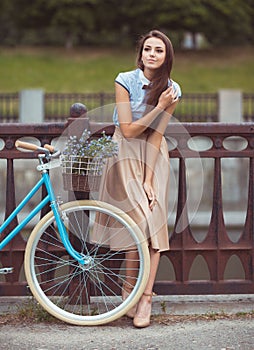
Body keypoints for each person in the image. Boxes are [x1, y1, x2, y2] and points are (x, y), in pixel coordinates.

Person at [98, 29, 181, 328]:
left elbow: (157, 135)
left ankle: (145, 297)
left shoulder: (172, 89)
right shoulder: (125, 80)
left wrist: (148, 179)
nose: (152, 54)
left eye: (159, 50)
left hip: (153, 159)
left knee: (154, 224)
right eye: (148, 49)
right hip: (124, 153)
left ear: (166, 56)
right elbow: (130, 130)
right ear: (141, 53)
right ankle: (128, 294)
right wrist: (158, 107)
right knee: (136, 225)